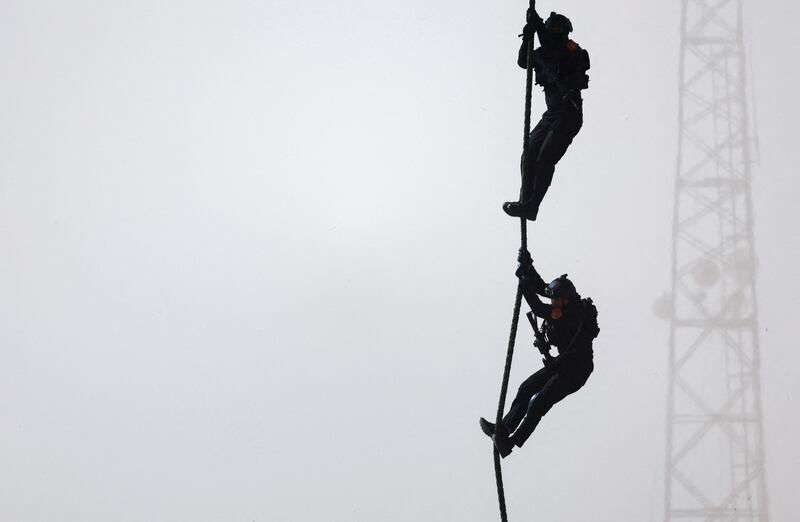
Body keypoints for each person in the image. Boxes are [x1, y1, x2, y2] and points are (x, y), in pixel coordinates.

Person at [480, 250, 599, 457]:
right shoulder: (563, 304)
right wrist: (527, 267)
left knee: (539, 402)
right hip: (562, 365)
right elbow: (544, 289)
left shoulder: (570, 314)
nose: (553, 303)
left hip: (576, 371)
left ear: (565, 301)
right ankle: (504, 429)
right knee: (526, 388)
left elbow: (538, 307)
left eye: (556, 301)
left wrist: (524, 287)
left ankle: (510, 444)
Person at [503, 6, 591, 221]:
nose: (556, 34)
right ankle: (525, 201)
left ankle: (532, 206)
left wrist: (539, 24)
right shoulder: (543, 53)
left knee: (545, 158)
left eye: (558, 30)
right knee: (529, 154)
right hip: (552, 114)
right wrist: (529, 34)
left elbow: (555, 51)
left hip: (569, 113)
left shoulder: (573, 51)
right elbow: (523, 61)